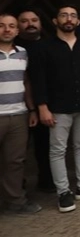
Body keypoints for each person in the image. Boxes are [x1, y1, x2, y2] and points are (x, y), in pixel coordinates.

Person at [32, 5, 80, 211]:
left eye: (73, 16)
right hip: (58, 107)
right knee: (58, 150)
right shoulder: (44, 47)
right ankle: (63, 192)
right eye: (64, 15)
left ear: (78, 22)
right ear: (55, 21)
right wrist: (42, 106)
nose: (69, 19)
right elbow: (38, 80)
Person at [0, 14, 41, 214]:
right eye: (1, 26)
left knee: (15, 161)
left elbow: (26, 82)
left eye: (11, 26)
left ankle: (15, 201)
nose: (7, 30)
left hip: (18, 115)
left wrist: (32, 109)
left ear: (17, 31)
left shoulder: (23, 53)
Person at [15, 9, 53, 193]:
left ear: (40, 23)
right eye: (24, 21)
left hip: (45, 104)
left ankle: (46, 180)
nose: (30, 24)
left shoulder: (48, 46)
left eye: (34, 20)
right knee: (16, 151)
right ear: (17, 26)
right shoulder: (13, 48)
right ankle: (17, 187)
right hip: (17, 107)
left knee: (44, 146)